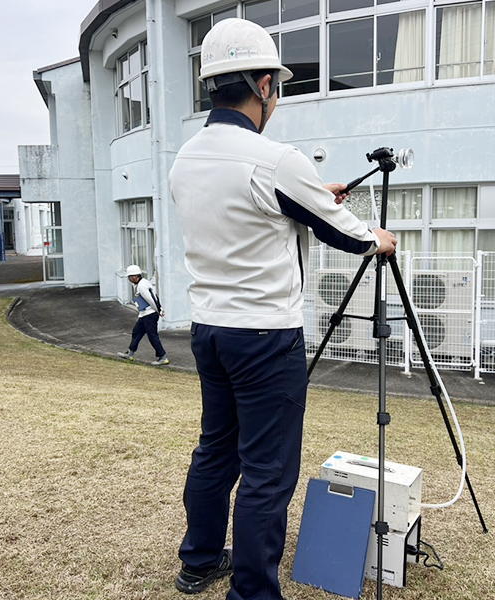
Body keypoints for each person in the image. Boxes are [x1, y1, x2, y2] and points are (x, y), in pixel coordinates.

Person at [168, 18, 397, 600]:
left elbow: (266, 213)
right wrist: (379, 238)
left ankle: (197, 562)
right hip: (266, 337)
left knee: (216, 450)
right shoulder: (276, 159)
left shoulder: (185, 160)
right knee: (267, 471)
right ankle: (252, 592)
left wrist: (317, 199)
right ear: (265, 84)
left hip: (210, 330)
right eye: (277, 87)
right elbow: (348, 235)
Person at [117, 264, 170, 366]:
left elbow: (151, 299)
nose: (129, 279)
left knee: (152, 336)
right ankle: (130, 353)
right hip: (144, 314)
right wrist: (159, 309)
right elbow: (154, 297)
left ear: (135, 277)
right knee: (136, 332)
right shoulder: (142, 283)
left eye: (129, 277)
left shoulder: (141, 286)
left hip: (149, 315)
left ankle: (163, 357)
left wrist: (159, 310)